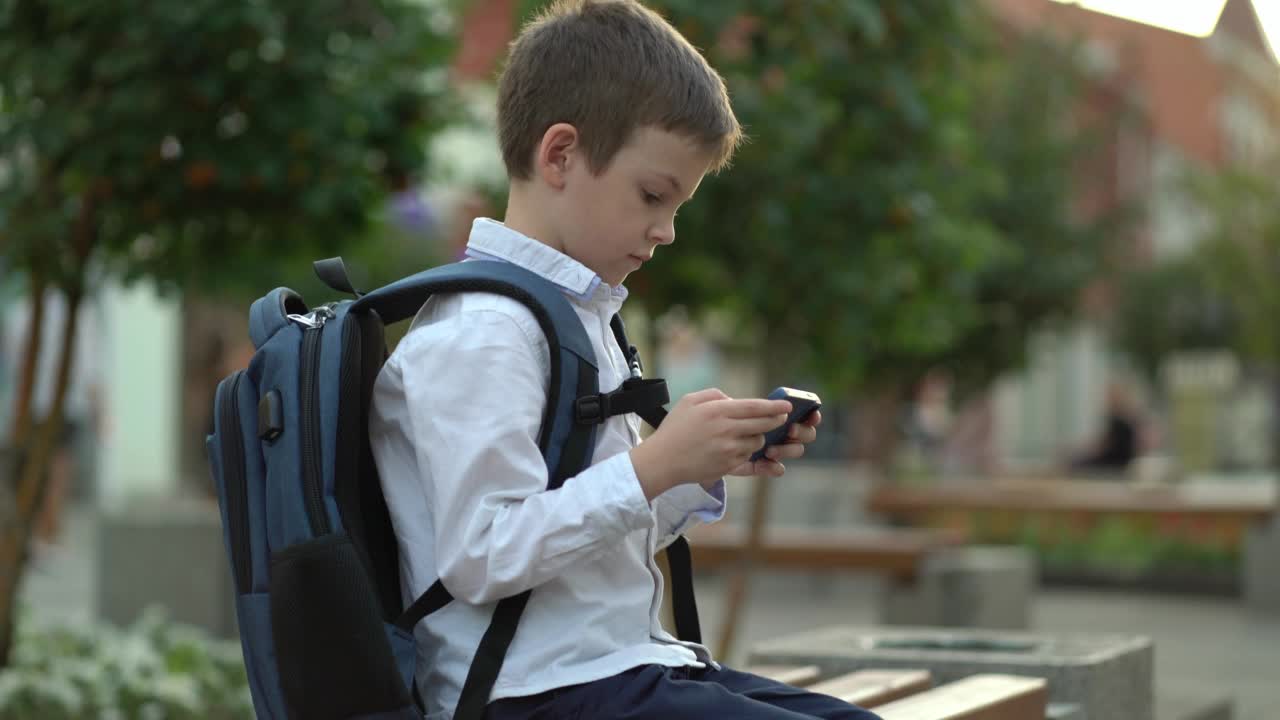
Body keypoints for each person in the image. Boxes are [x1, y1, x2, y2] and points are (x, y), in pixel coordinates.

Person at [368, 2, 880, 718]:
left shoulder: (571, 315)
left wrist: (695, 464)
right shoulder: (483, 334)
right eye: (652, 196)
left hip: (615, 671)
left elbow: (588, 533)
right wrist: (654, 466)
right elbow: (482, 556)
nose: (666, 231)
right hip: (532, 692)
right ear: (560, 156)